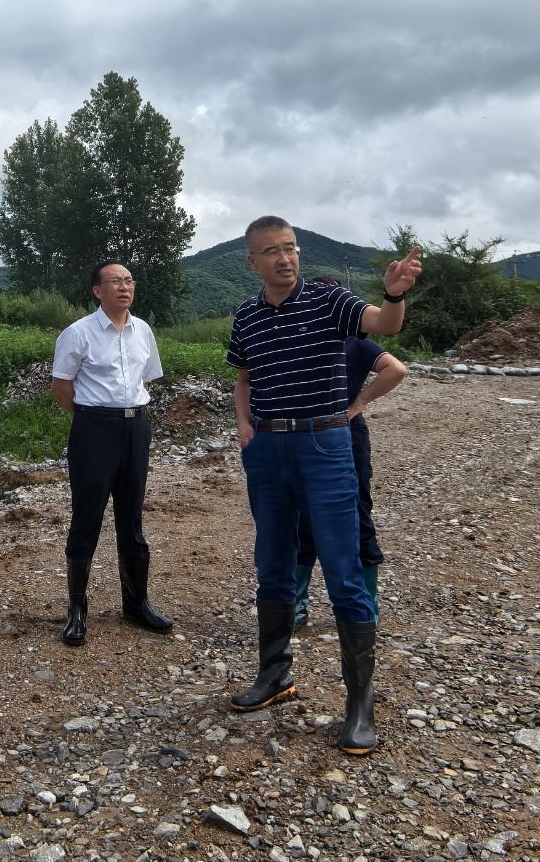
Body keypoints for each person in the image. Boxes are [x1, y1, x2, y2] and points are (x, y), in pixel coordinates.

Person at [225, 217, 420, 755]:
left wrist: (394, 294)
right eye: (271, 251)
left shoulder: (330, 301)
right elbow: (243, 377)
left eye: (290, 248)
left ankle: (360, 704)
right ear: (253, 262)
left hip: (325, 446)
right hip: (268, 449)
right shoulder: (246, 315)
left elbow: (385, 325)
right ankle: (274, 675)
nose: (284, 258)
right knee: (272, 561)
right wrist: (244, 426)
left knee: (342, 567)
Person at [50, 261, 174, 646]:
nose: (124, 287)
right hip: (94, 429)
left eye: (128, 280)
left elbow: (145, 378)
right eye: (115, 281)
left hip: (135, 426)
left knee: (132, 518)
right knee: (87, 518)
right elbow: (61, 386)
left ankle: (136, 604)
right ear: (97, 291)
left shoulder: (143, 330)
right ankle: (76, 610)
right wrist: (91, 419)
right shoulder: (78, 333)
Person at [291, 285, 407, 625]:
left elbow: (396, 369)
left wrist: (360, 402)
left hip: (332, 432)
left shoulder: (353, 341)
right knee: (338, 513)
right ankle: (362, 606)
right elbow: (395, 369)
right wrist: (359, 402)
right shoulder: (340, 340)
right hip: (328, 431)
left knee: (342, 513)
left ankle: (303, 606)